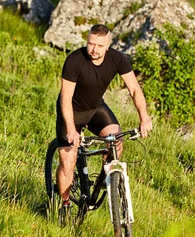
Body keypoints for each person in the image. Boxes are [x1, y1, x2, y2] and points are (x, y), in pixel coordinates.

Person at [56, 24, 153, 208]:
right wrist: (70, 129)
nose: (94, 49)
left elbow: (134, 89)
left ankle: (106, 179)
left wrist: (144, 117)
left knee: (116, 139)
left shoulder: (117, 59)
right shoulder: (74, 60)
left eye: (100, 46)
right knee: (68, 161)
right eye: (91, 44)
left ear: (108, 45)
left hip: (95, 108)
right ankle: (64, 203)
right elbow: (65, 98)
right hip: (71, 112)